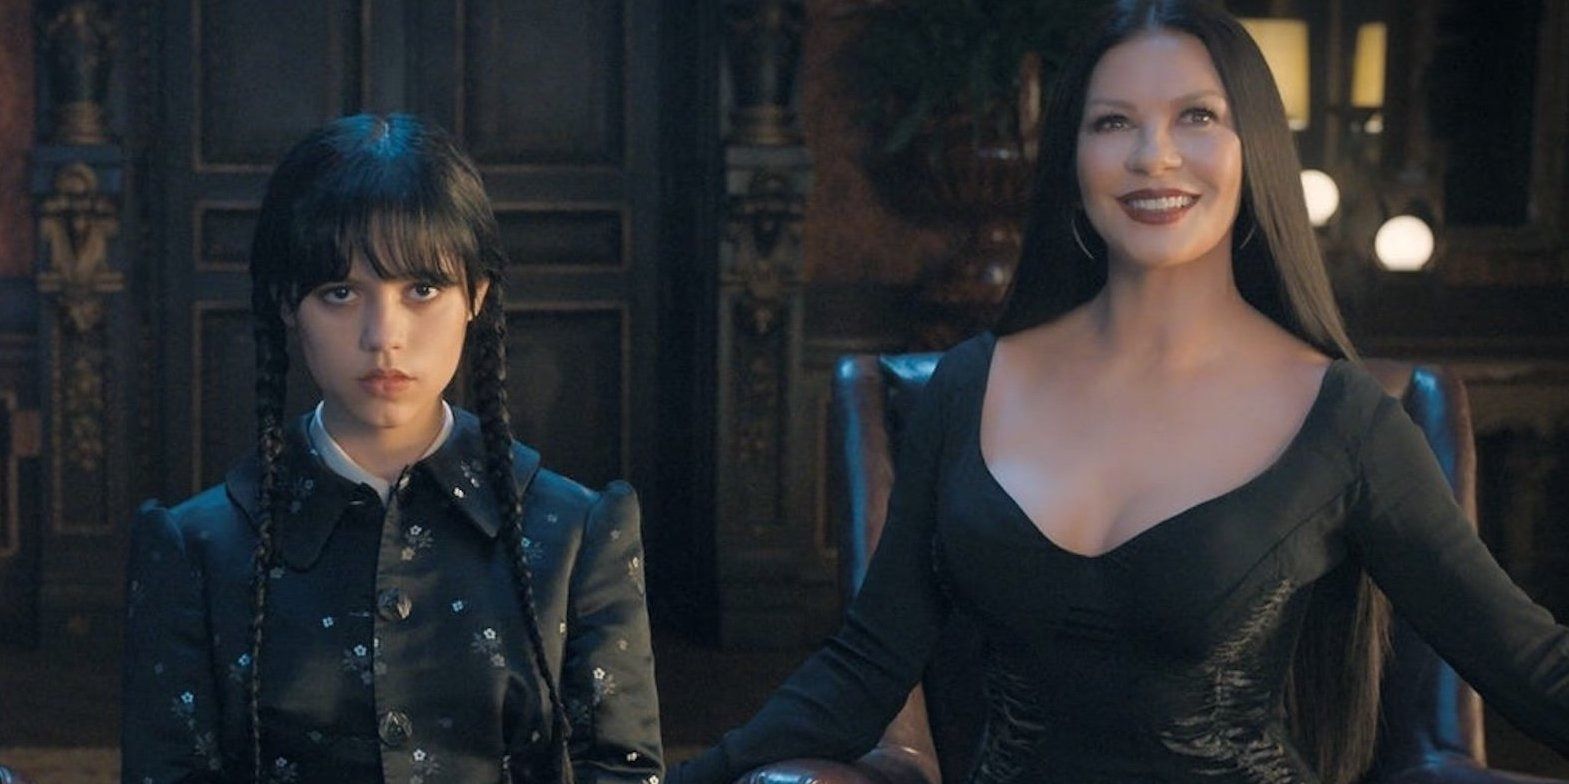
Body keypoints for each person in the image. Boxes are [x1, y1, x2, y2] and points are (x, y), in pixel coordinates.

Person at [669, 1, 1569, 782]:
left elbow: (1527, 661)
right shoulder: (969, 386)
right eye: (1111, 123)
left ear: (1254, 149)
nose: (1153, 155)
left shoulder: (1342, 421)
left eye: (1196, 116)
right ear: (1071, 156)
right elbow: (862, 668)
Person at [121, 114, 663, 784]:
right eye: (341, 293)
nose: (384, 335)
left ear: (476, 295)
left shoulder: (577, 532)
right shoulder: (197, 548)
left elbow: (620, 769)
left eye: (422, 289)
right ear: (288, 304)